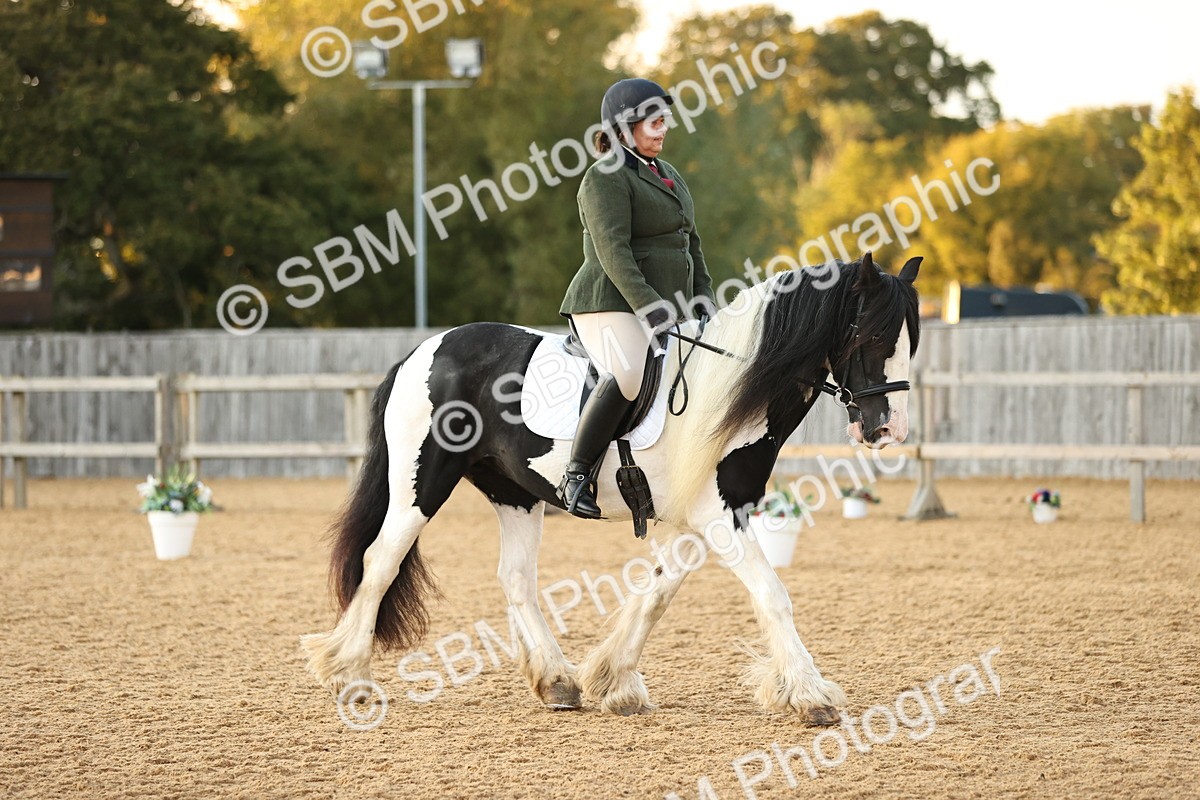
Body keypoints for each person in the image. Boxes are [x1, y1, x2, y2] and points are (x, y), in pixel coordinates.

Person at [556, 77, 717, 519]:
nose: (663, 130)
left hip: (669, 302)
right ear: (625, 129)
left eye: (665, 121)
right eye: (654, 123)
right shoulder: (603, 177)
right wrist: (652, 308)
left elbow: (692, 242)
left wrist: (704, 296)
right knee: (628, 373)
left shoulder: (668, 174)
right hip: (609, 301)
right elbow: (614, 253)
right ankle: (575, 476)